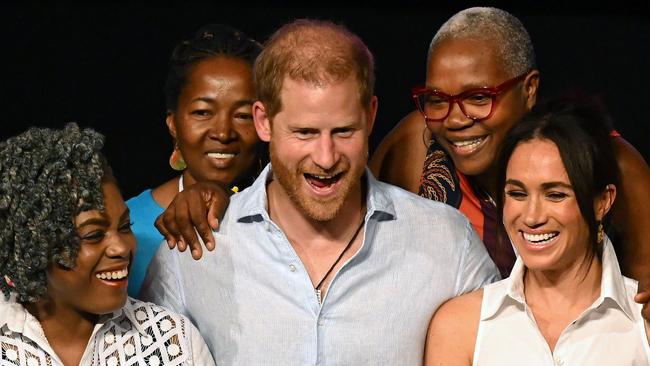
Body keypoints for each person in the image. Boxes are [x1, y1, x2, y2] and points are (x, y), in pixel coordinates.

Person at [141, 19, 499, 364]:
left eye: (344, 131)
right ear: (264, 121)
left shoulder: (448, 243)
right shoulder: (190, 256)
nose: (326, 158)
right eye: (305, 133)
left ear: (371, 115)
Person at [368, 7, 650, 281]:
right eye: (437, 100)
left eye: (479, 98)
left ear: (529, 89)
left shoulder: (606, 161)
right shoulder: (418, 144)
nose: (454, 120)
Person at [425, 97, 650, 365]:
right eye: (517, 193)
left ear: (602, 201)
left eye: (555, 195)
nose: (531, 217)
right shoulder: (461, 327)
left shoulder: (642, 322)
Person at [0, 123, 215, 365]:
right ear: (32, 247)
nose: (121, 248)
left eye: (124, 227)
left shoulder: (174, 342)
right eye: (93, 235)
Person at [126, 23, 267, 296]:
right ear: (173, 124)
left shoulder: (283, 218)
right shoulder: (126, 229)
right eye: (203, 112)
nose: (224, 133)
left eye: (243, 115)